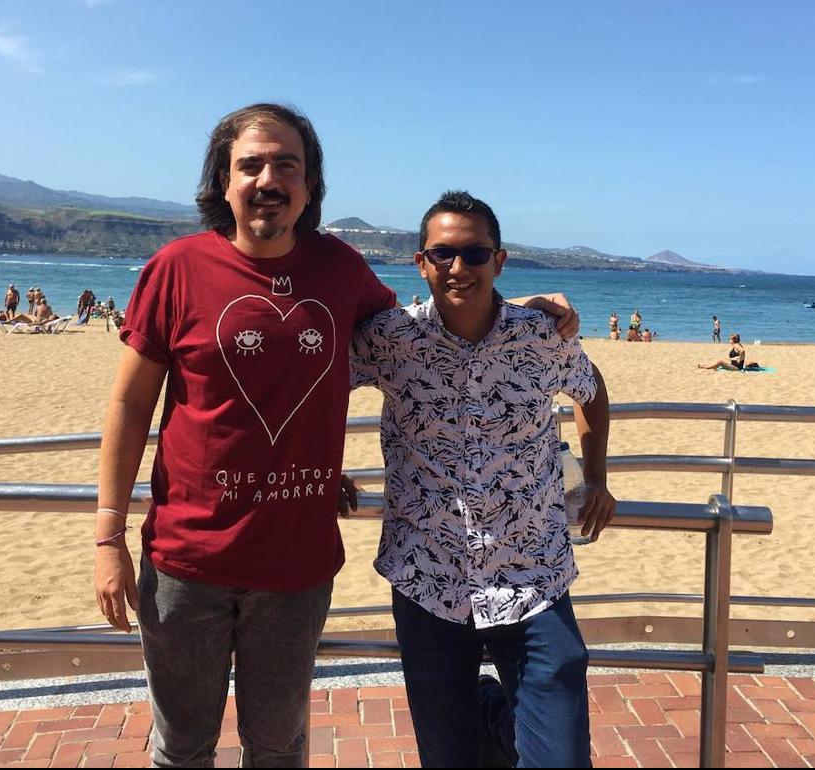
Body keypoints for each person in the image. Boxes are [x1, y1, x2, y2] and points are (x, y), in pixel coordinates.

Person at [94, 104, 578, 769]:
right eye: (251, 164)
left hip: (295, 567)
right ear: (224, 181)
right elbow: (127, 404)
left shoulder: (340, 270)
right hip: (184, 563)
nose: (269, 179)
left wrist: (520, 309)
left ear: (310, 184)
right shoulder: (176, 269)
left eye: (286, 164)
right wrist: (106, 535)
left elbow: (431, 325)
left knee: (278, 747)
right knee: (181, 750)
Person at [348, 191, 612, 768]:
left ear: (500, 259)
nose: (458, 267)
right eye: (443, 255)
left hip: (533, 575)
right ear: (421, 262)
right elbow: (310, 385)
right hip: (427, 577)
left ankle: (496, 712)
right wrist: (318, 470)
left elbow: (591, 390)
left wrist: (596, 478)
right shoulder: (391, 341)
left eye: (474, 253)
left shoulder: (541, 336)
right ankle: (493, 712)